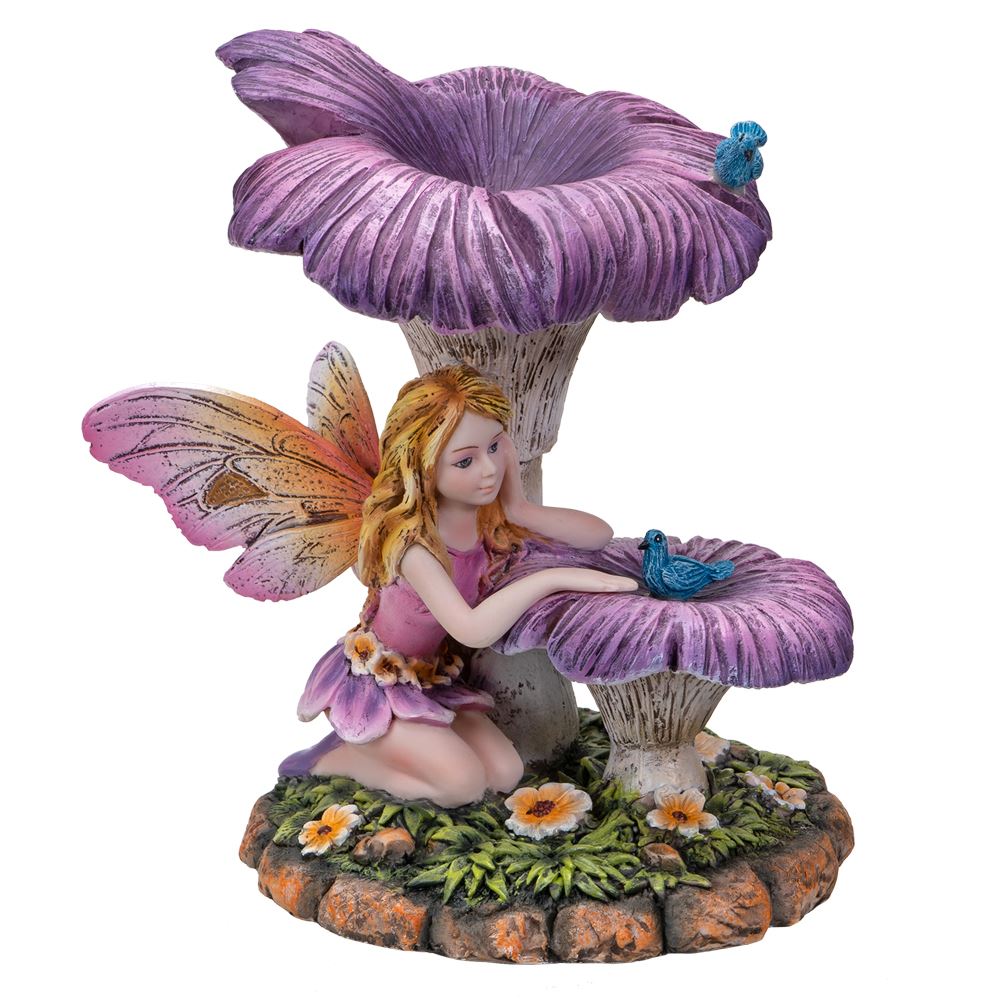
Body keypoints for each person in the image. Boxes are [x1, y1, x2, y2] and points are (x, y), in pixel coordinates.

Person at [279, 364, 636, 806]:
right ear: (424, 468)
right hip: (378, 683)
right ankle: (342, 757)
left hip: (433, 678)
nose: (489, 469)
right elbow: (472, 628)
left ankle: (398, 748)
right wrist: (554, 578)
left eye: (495, 446)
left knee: (505, 774)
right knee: (461, 787)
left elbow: (598, 535)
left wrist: (519, 508)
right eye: (465, 460)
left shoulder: (485, 519)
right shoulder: (414, 546)